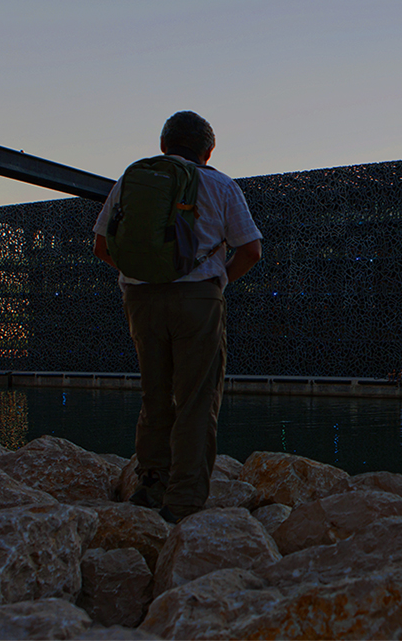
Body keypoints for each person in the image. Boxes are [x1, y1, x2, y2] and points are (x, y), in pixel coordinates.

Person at [92, 111, 262, 524]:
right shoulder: (220, 184)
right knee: (196, 400)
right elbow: (251, 250)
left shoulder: (132, 180)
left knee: (154, 395)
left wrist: (143, 275)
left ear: (164, 145)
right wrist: (217, 281)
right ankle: (183, 501)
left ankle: (150, 486)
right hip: (196, 300)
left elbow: (101, 245)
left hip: (141, 300)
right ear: (208, 151)